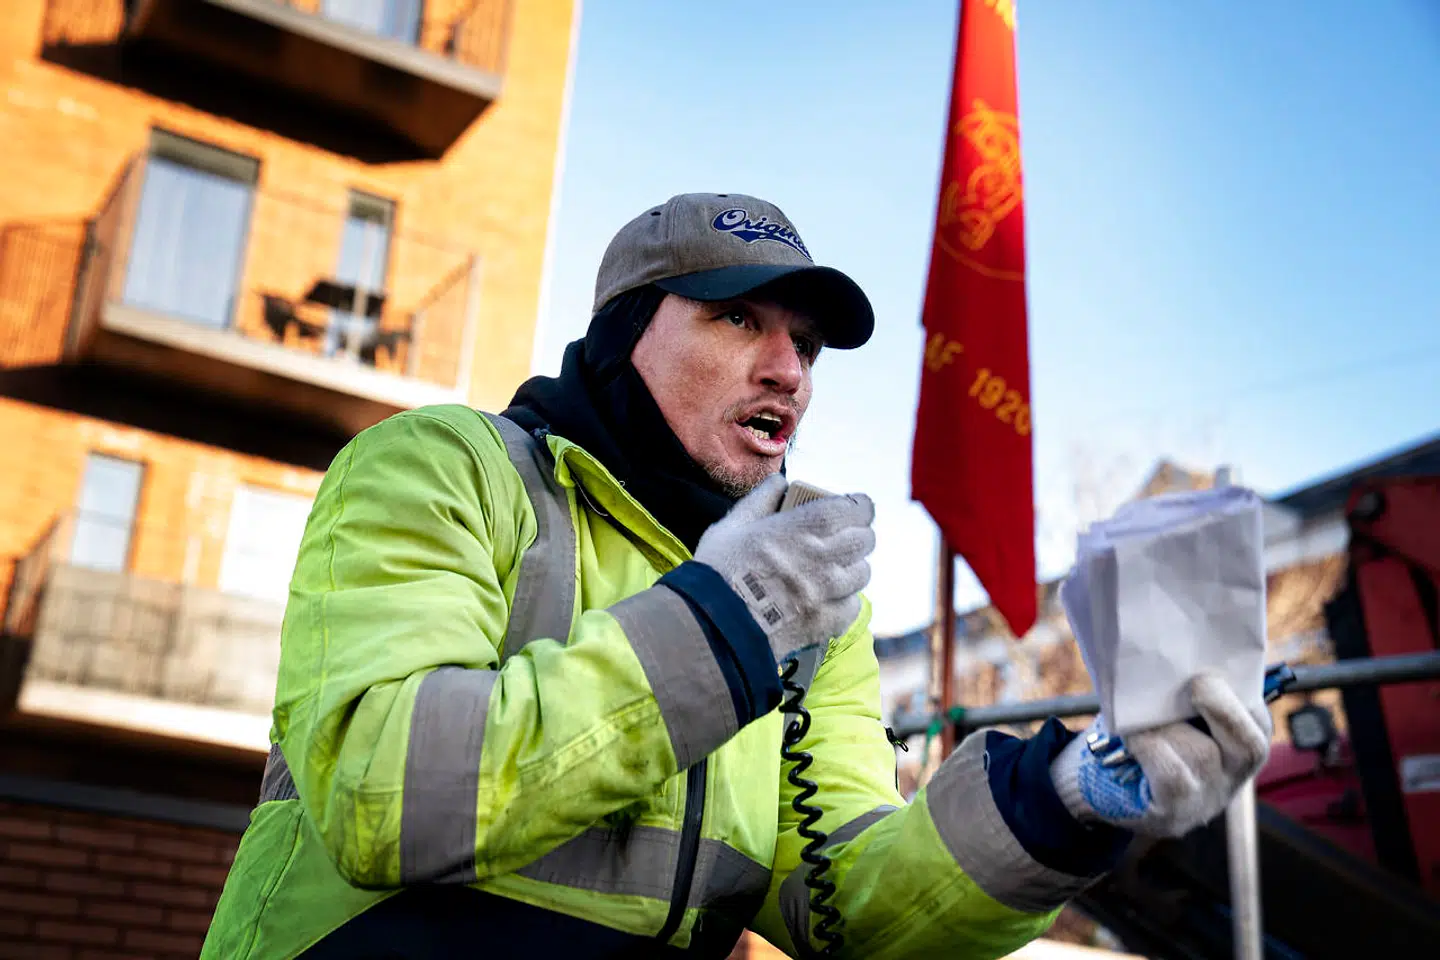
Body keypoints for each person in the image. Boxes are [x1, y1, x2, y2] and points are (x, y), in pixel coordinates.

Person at [203, 193, 1272, 959]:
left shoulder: (809, 608)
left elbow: (857, 911)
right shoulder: (446, 465)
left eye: (805, 344)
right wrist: (719, 634)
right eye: (737, 318)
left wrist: (1059, 801)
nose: (788, 370)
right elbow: (379, 788)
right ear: (626, 335)